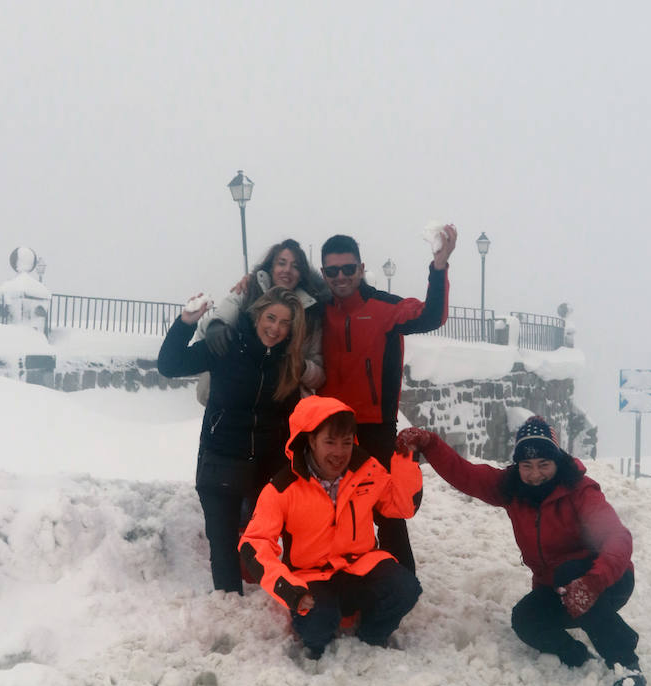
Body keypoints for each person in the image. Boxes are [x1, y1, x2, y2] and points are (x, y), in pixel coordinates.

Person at [396, 415, 646, 686]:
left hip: (608, 582)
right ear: (518, 466)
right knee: (525, 619)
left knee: (568, 573)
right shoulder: (512, 488)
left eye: (543, 465)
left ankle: (625, 661)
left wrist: (594, 581)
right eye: (527, 466)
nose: (535, 474)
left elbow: (618, 537)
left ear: (557, 461)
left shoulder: (580, 491)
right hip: (559, 588)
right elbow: (465, 474)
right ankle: (579, 658)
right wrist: (430, 444)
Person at [239, 396, 423, 659]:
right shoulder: (283, 488)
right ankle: (317, 641)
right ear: (311, 440)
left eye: (347, 442)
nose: (340, 452)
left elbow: (402, 507)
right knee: (317, 628)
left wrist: (407, 456)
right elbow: (253, 546)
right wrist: (290, 591)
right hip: (311, 576)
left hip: (361, 565)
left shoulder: (366, 471)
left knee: (406, 588)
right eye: (330, 442)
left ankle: (372, 635)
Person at [319, 225, 457, 573]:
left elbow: (431, 316)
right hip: (329, 430)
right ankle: (345, 578)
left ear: (361, 269)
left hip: (375, 426)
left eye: (348, 269)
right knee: (333, 508)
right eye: (332, 271)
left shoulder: (384, 308)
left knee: (386, 510)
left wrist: (439, 268)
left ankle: (402, 583)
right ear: (323, 274)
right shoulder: (317, 311)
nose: (341, 277)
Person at [158, 287, 306, 595]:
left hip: (266, 467)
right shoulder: (225, 345)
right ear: (256, 316)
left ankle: (290, 600)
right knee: (223, 542)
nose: (275, 328)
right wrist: (186, 322)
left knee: (265, 539)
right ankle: (228, 606)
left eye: (284, 323)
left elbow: (291, 418)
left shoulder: (287, 362)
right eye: (270, 317)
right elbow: (170, 365)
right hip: (220, 460)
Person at [193, 239, 327, 405]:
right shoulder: (247, 292)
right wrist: (215, 326)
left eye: (295, 266)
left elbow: (318, 376)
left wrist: (300, 367)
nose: (287, 270)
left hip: (283, 406)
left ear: (301, 275)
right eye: (282, 263)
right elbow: (216, 321)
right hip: (236, 399)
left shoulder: (311, 313)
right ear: (271, 267)